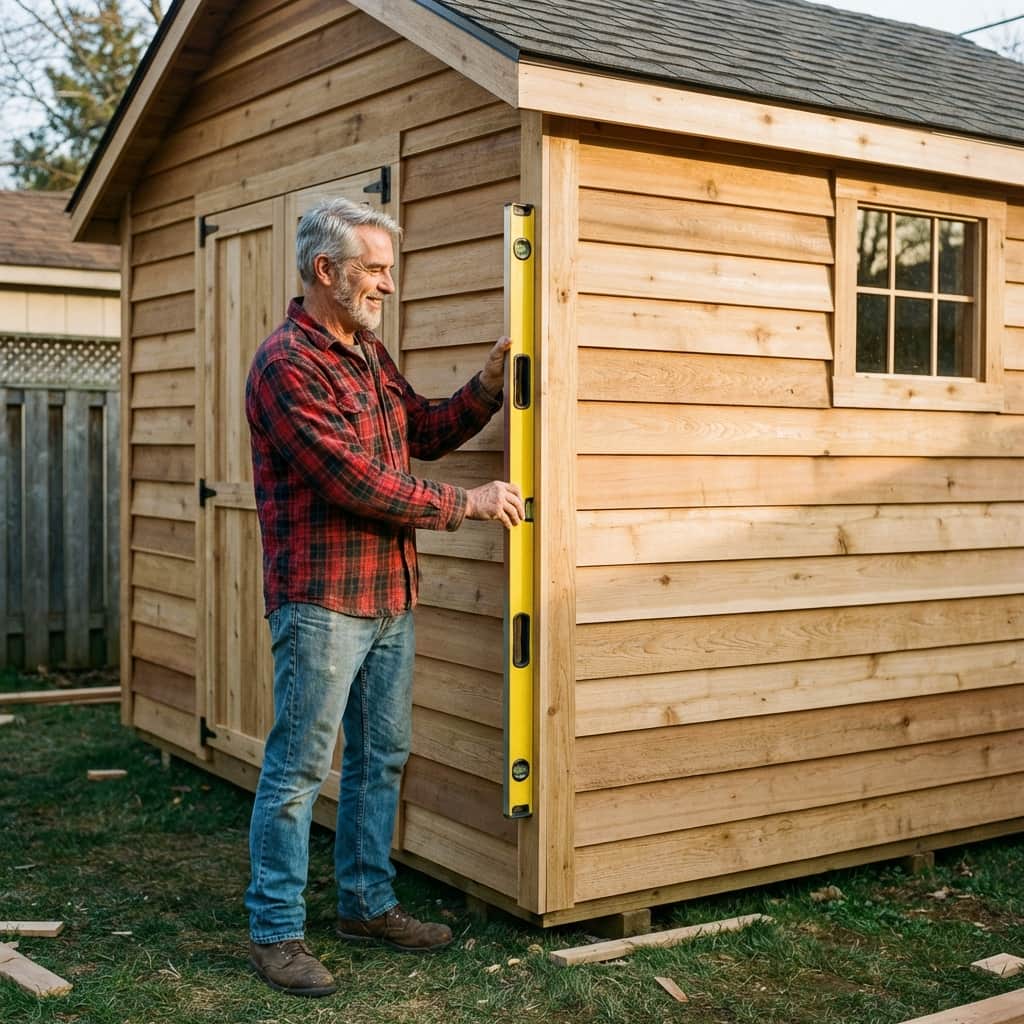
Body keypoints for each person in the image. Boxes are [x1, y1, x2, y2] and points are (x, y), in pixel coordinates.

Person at [243, 198, 524, 998]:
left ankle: (366, 904)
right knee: (298, 768)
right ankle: (275, 930)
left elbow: (421, 432)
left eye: (389, 270)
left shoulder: (366, 352)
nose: (388, 286)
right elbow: (350, 478)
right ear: (325, 271)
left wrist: (488, 386)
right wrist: (464, 505)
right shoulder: (285, 365)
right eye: (375, 269)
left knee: (381, 758)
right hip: (323, 600)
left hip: (389, 595)